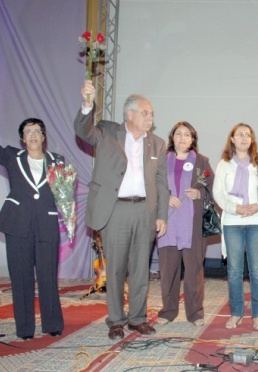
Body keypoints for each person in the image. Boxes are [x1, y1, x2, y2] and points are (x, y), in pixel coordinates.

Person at [0, 87, 65, 340]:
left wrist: (69, 215)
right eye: (28, 131)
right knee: (20, 278)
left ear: (44, 137)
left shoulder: (58, 161)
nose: (33, 135)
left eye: (37, 131)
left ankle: (53, 324)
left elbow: (64, 194)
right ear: (22, 138)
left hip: (47, 225)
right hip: (17, 225)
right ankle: (25, 329)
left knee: (47, 277)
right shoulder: (12, 156)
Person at [74, 80, 169, 340]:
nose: (150, 118)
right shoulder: (107, 132)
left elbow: (161, 181)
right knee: (115, 268)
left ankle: (137, 318)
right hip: (115, 209)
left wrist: (162, 214)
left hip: (144, 211)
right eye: (145, 113)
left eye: (151, 114)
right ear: (129, 114)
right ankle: (116, 319)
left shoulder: (157, 144)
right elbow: (83, 131)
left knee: (140, 268)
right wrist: (87, 104)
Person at [213, 123, 258, 330]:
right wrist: (234, 209)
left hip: (256, 222)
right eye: (239, 134)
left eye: (247, 135)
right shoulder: (224, 164)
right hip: (232, 223)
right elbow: (218, 193)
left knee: (257, 271)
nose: (243, 138)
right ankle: (236, 312)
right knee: (234, 271)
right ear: (232, 139)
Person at [156, 121, 214, 327]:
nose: (182, 138)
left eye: (187, 135)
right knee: (168, 270)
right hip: (167, 223)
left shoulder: (202, 162)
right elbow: (152, 186)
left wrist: (200, 193)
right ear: (172, 137)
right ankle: (168, 311)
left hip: (193, 225)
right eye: (178, 134)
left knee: (194, 270)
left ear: (193, 139)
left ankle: (195, 313)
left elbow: (212, 188)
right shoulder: (161, 160)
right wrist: (165, 196)